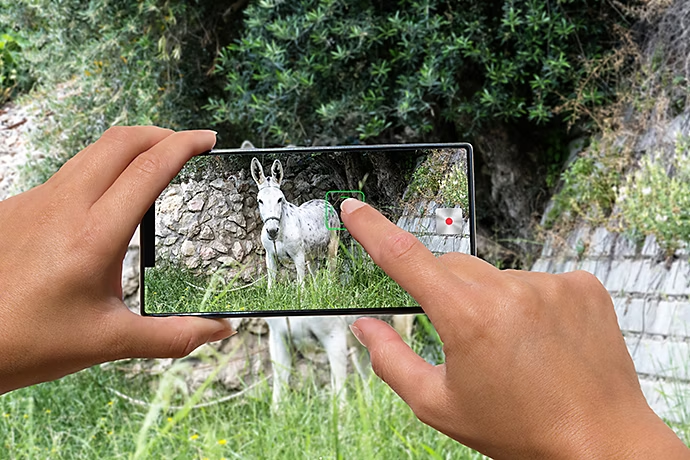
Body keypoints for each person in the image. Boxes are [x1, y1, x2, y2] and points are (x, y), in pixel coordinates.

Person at [0, 127, 687, 459]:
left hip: (314, 248)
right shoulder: (274, 224)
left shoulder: (316, 221)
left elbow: (310, 253)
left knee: (317, 262)